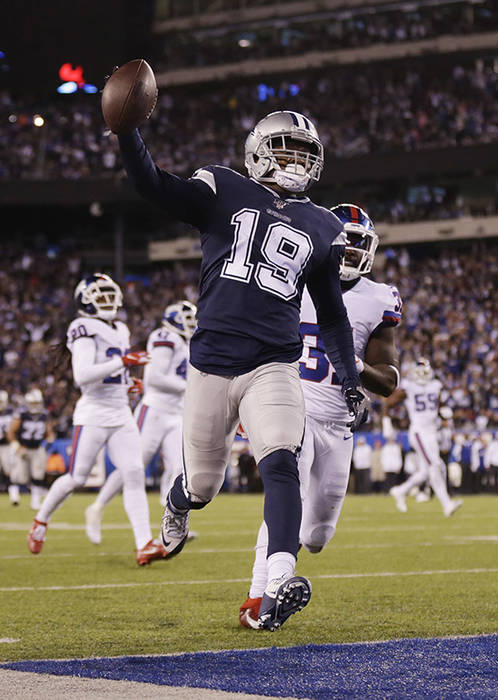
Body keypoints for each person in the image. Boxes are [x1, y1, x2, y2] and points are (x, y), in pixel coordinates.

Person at [117, 110, 364, 631]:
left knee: (281, 459)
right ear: (257, 151)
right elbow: (153, 185)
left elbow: (333, 315)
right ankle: (178, 502)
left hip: (273, 363)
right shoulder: (222, 186)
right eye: (285, 149)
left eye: (304, 153)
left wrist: (349, 377)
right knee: (204, 486)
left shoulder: (325, 225)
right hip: (210, 365)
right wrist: (126, 131)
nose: (295, 161)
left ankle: (277, 582)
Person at [239, 204, 402, 629]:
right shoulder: (290, 282)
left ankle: (283, 563)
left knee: (316, 535)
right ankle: (258, 600)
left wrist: (355, 365)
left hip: (340, 426)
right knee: (286, 499)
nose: (350, 251)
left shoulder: (378, 299)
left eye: (358, 243)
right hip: (295, 409)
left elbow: (387, 381)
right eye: (343, 242)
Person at [26, 273, 162, 565]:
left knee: (134, 473)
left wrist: (128, 383)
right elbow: (83, 375)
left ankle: (144, 544)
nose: (108, 301)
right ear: (85, 302)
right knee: (76, 478)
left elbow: (113, 372)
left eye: (110, 295)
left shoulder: (121, 329)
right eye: (101, 296)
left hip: (121, 412)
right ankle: (41, 519)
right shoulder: (82, 326)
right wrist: (122, 362)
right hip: (93, 413)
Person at [85, 300, 197, 545]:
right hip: (155, 411)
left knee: (181, 468)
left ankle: (171, 520)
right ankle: (97, 507)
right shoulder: (164, 336)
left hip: (177, 414)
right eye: (187, 319)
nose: (192, 324)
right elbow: (154, 378)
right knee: (134, 467)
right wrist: (189, 386)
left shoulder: (186, 343)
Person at [386, 359, 463, 516]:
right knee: (434, 465)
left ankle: (401, 491)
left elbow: (437, 407)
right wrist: (387, 421)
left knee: (425, 471)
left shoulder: (435, 386)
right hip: (419, 432)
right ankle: (447, 504)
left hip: (432, 432)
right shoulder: (409, 387)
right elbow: (389, 403)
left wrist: (444, 414)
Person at [10, 389, 55, 511]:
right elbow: (11, 432)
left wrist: (50, 438)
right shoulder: (21, 414)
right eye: (33, 403)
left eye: (37, 403)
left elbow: (49, 432)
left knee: (38, 475)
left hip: (37, 448)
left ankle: (35, 501)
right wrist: (17, 447)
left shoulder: (44, 415)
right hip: (23, 447)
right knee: (21, 477)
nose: (35, 405)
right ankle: (14, 495)